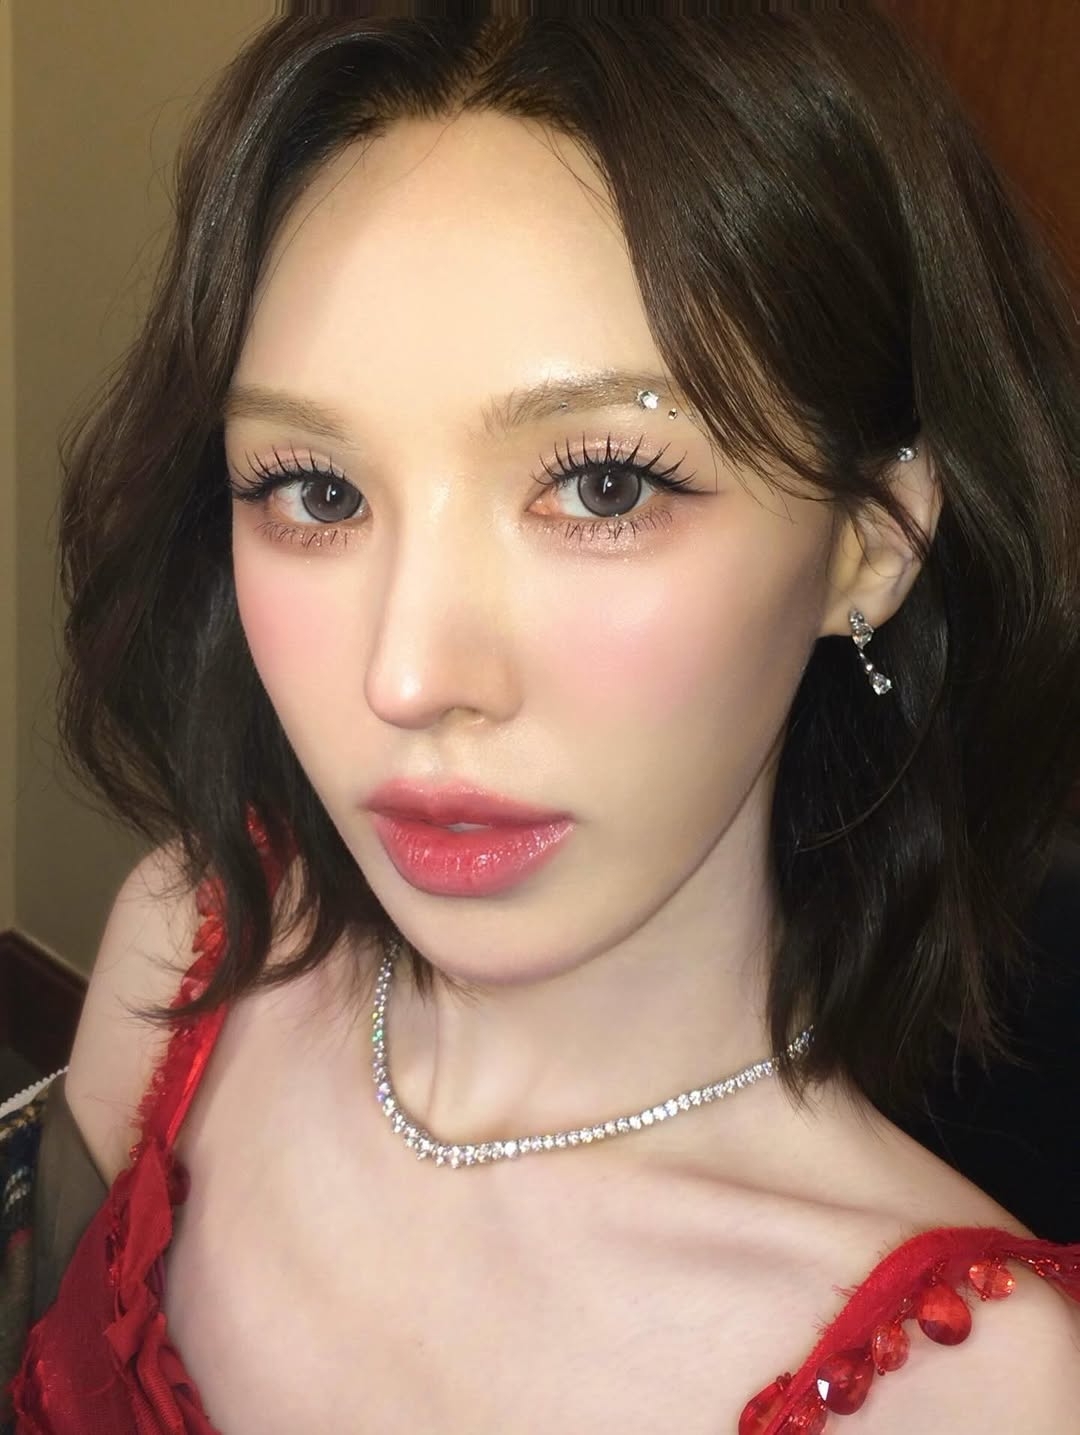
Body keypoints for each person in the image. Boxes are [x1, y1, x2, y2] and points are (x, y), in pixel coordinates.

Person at [4, 7, 1079, 1432]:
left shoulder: (976, 1398)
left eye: (603, 487)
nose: (410, 677)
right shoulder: (183, 953)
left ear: (868, 542)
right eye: (316, 491)